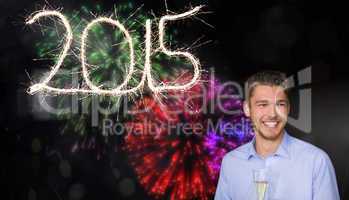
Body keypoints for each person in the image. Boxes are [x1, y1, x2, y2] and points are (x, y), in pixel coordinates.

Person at [214, 70, 340, 200]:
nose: (273, 114)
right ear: (247, 109)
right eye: (263, 104)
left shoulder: (316, 161)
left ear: (288, 108)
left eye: (280, 104)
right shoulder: (231, 163)